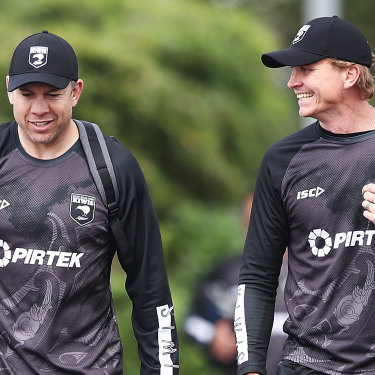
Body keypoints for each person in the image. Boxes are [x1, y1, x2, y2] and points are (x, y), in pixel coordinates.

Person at [0, 31, 179, 374]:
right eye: (26, 95)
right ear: (10, 90)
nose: (39, 109)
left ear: (76, 91)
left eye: (52, 95)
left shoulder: (111, 167)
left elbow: (150, 286)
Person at [234, 16, 375, 375]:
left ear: (350, 75)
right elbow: (257, 275)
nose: (292, 82)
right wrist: (250, 367)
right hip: (305, 366)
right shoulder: (281, 160)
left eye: (307, 70)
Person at [184, 195, 288, 375]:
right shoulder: (227, 273)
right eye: (252, 220)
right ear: (244, 224)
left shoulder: (318, 272)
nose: (262, 227)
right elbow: (193, 321)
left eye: (270, 217)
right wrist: (213, 336)